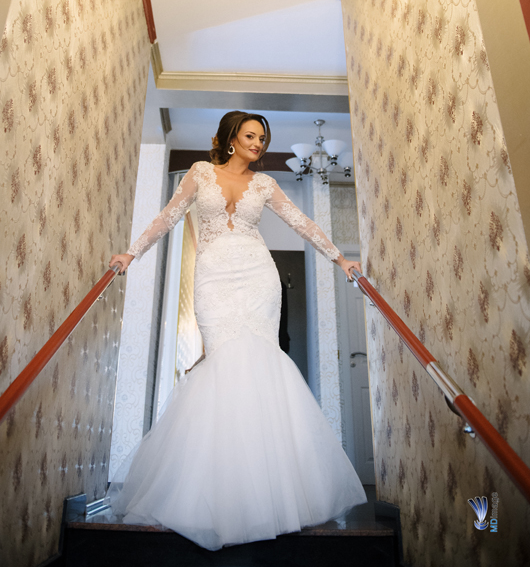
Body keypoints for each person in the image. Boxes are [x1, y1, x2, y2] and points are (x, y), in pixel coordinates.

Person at [108, 111, 367, 550]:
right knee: (224, 363)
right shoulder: (200, 172)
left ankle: (270, 493)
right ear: (230, 139)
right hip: (214, 279)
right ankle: (220, 493)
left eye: (262, 137)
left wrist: (340, 258)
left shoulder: (264, 184)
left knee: (261, 363)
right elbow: (169, 217)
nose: (258, 143)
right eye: (250, 135)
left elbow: (301, 222)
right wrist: (131, 254)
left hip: (258, 278)